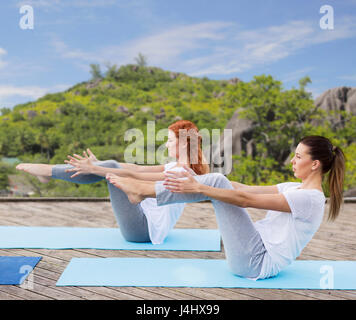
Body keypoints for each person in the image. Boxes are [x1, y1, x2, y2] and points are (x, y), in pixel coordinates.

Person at [106, 135, 345, 280]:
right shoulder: (295, 188)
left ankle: (143, 190)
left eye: (298, 157)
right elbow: (245, 188)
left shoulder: (311, 199)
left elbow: (245, 201)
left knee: (217, 184)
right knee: (219, 181)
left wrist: (201, 188)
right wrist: (201, 180)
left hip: (257, 262)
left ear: (314, 164)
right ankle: (143, 190)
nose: (292, 161)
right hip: (253, 250)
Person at [16, 120, 209, 244]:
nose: (166, 145)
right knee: (110, 165)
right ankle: (49, 172)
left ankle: (48, 171)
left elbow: (136, 177)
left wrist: (97, 168)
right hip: (145, 222)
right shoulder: (176, 165)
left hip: (142, 231)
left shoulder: (183, 172)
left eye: (169, 140)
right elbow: (137, 168)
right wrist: (99, 165)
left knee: (109, 168)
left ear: (183, 142)